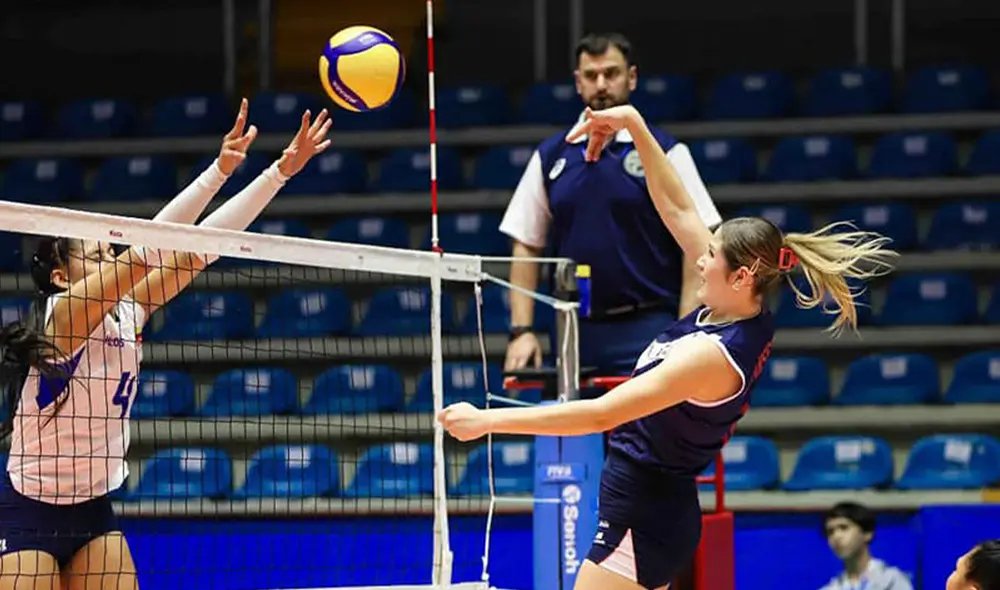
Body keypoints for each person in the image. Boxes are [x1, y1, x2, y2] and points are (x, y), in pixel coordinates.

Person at [439, 104, 897, 590]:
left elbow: (598, 416)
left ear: (741, 277)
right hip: (650, 506)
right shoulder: (737, 308)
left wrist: (487, 422)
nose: (700, 262)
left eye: (712, 257)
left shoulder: (711, 356)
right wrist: (634, 124)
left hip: (645, 512)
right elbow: (677, 208)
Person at [0, 99, 332, 590]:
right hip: (29, 510)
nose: (108, 258)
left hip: (93, 508)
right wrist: (216, 174)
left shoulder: (128, 312)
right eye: (96, 255)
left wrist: (276, 173)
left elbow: (199, 249)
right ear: (58, 276)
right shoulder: (60, 318)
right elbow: (147, 248)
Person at [500, 32, 721, 379]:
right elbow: (526, 243)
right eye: (591, 76)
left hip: (650, 326)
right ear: (578, 83)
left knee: (648, 434)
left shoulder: (664, 151)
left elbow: (700, 240)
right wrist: (521, 331)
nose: (601, 85)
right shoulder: (550, 156)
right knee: (576, 434)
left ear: (631, 78)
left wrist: (685, 328)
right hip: (574, 330)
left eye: (612, 73)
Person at [819, 502, 913, 590]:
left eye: (844, 528)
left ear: (867, 533)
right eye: (830, 532)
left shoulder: (891, 581)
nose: (837, 536)